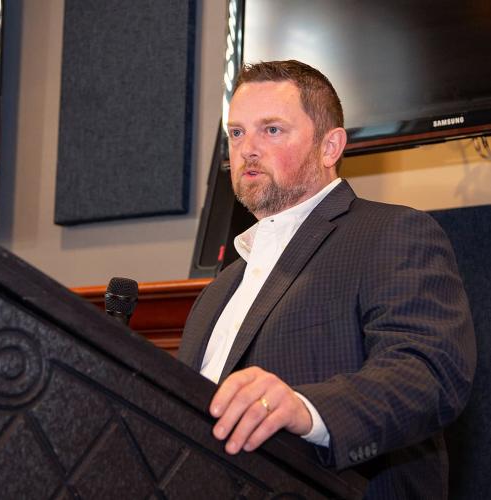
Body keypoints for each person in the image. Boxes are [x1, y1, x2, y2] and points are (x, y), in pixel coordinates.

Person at [178, 60, 476, 498]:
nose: (248, 149)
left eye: (272, 130)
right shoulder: (216, 295)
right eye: (237, 133)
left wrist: (305, 408)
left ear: (330, 146)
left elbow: (428, 373)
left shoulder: (390, 234)